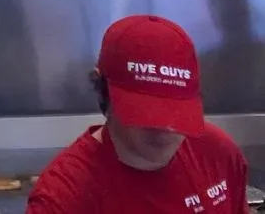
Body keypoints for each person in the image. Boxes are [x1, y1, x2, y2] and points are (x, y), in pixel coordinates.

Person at [28, 14, 249, 213]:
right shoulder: (63, 197)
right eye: (147, 113)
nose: (166, 129)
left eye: (176, 112)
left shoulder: (218, 153)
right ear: (104, 91)